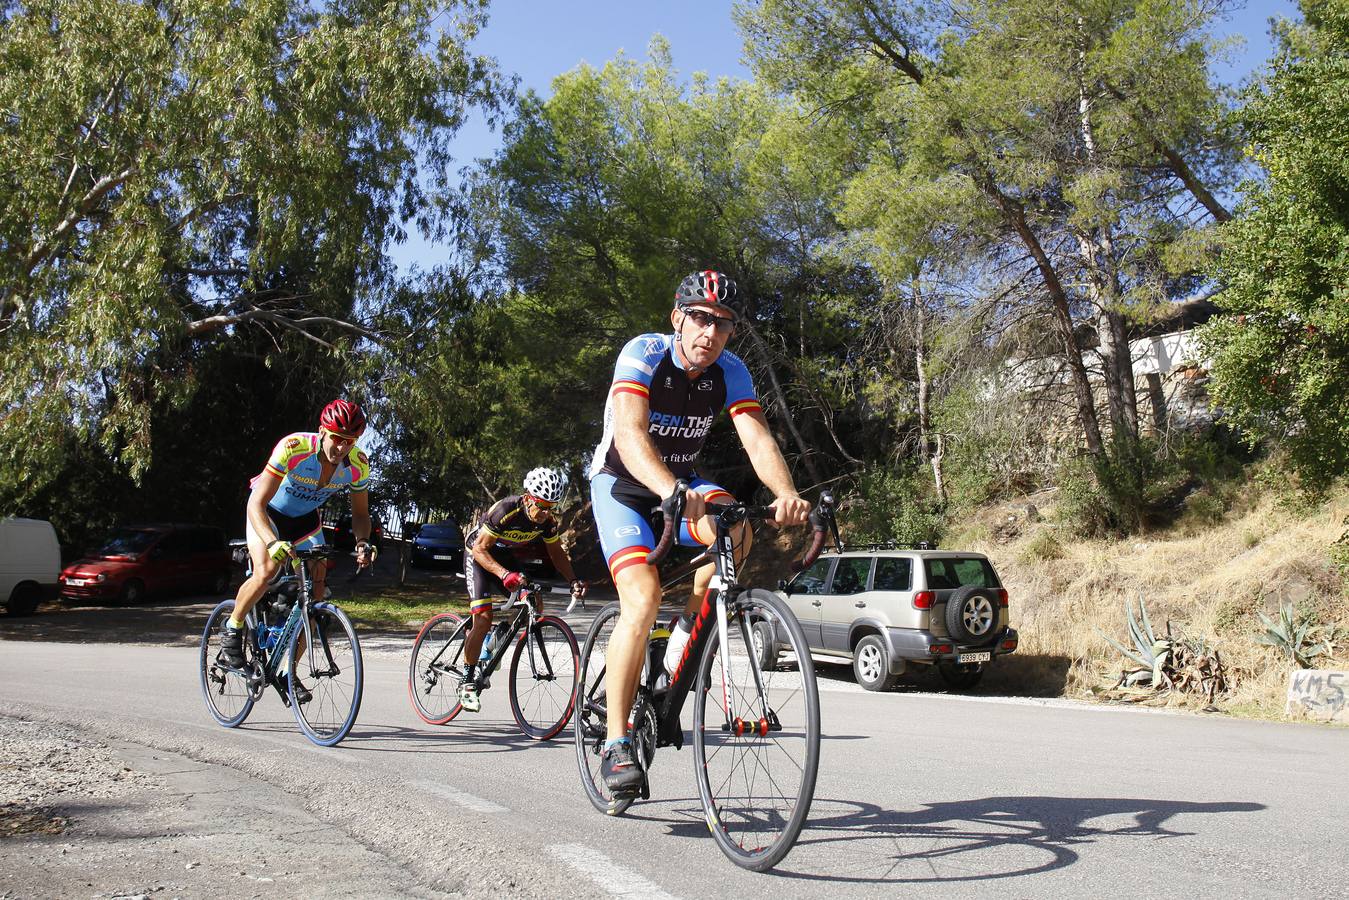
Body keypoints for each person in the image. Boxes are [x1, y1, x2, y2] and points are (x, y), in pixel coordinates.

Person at [588, 270, 810, 797]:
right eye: (701, 319)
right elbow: (631, 432)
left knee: (734, 525)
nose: (710, 332)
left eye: (723, 324)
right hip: (622, 485)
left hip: (681, 485)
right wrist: (668, 486)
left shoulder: (730, 371)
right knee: (640, 601)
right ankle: (616, 743)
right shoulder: (643, 353)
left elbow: (757, 439)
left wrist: (786, 494)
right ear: (677, 318)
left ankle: (685, 641)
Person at [217, 399, 377, 704]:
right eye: (337, 438)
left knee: (316, 597)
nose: (342, 447)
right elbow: (256, 503)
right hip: (269, 513)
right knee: (266, 571)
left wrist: (362, 542)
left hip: (305, 522)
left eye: (350, 441)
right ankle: (233, 626)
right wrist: (271, 541)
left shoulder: (358, 464)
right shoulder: (293, 447)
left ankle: (287, 670)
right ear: (322, 432)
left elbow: (360, 514)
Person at [458, 467, 588, 712]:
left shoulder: (547, 521)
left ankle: (497, 639)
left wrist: (573, 581)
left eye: (551, 507)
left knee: (534, 601)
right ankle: (467, 682)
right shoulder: (506, 509)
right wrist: (504, 574)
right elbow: (480, 549)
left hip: (503, 555)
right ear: (529, 497)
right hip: (478, 555)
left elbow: (556, 553)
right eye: (541, 505)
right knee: (483, 618)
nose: (545, 512)